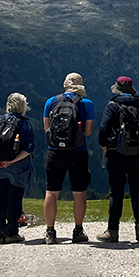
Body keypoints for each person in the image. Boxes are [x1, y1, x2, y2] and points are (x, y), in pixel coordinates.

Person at [97, 76, 139, 243]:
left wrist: (104, 144)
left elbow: (104, 128)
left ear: (117, 89)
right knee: (137, 191)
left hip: (116, 154)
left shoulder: (113, 105)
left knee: (117, 192)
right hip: (137, 155)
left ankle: (113, 231)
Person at [42, 72, 95, 245]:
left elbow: (47, 130)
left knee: (51, 191)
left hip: (55, 151)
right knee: (79, 192)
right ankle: (78, 230)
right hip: (78, 152)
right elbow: (88, 132)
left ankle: (50, 232)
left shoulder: (51, 102)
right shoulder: (87, 103)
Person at [0, 92, 36, 245]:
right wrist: (11, 161)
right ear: (23, 106)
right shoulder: (25, 124)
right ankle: (12, 233)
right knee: (14, 200)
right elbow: (30, 147)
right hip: (17, 170)